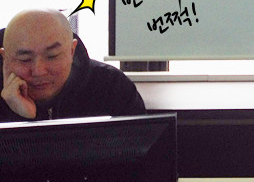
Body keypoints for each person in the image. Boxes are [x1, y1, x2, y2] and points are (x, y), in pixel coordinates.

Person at [0, 8, 145, 121]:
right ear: (5, 57)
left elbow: (138, 148)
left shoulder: (111, 86)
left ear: (71, 51)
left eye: (52, 56)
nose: (38, 71)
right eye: (25, 59)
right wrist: (20, 117)